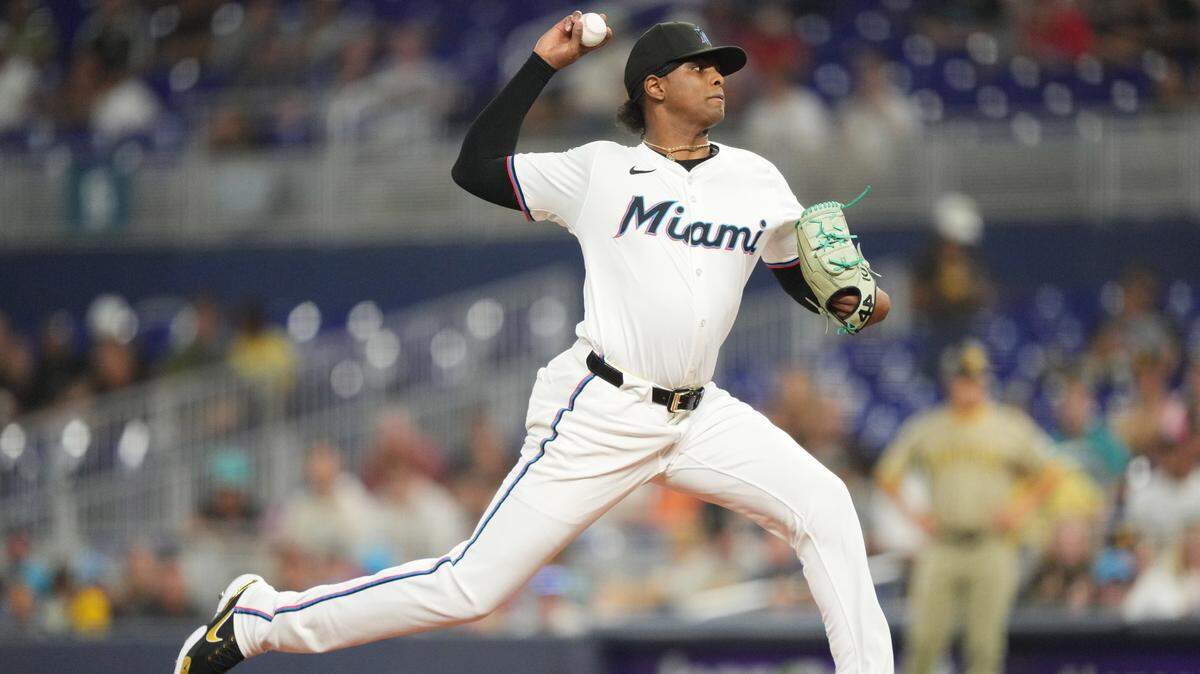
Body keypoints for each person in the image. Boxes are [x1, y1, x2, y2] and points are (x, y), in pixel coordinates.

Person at [175, 13, 894, 673]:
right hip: (603, 408)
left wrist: (847, 300)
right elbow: (476, 168)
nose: (717, 77)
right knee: (470, 587)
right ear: (653, 86)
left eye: (721, 67)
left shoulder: (756, 177)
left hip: (700, 414)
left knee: (825, 506)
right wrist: (539, 66)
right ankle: (262, 620)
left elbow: (795, 270)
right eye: (700, 66)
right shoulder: (599, 172)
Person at [875, 341, 1062, 674]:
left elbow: (1049, 473)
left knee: (984, 646)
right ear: (950, 381)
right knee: (922, 642)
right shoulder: (929, 427)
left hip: (992, 545)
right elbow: (887, 475)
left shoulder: (1008, 424)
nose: (969, 385)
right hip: (943, 544)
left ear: (986, 380)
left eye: (976, 377)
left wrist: (1018, 511)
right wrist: (917, 518)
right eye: (963, 377)